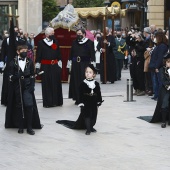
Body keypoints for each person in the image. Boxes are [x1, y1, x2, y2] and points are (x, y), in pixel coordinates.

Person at [5, 45, 42, 135]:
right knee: (19, 106)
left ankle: (29, 127)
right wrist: (14, 77)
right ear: (18, 52)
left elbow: (32, 75)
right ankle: (20, 126)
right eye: (23, 50)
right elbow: (9, 75)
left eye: (26, 50)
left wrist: (32, 86)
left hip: (27, 85)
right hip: (17, 86)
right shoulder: (13, 62)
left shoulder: (29, 61)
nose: (25, 52)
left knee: (29, 105)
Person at [56, 64, 103, 135]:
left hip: (93, 102)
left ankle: (91, 126)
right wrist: (81, 102)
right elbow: (80, 94)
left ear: (93, 74)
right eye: (86, 72)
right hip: (86, 103)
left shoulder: (96, 83)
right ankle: (88, 129)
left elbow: (98, 93)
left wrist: (99, 100)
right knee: (87, 116)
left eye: (90, 72)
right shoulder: (83, 84)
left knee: (93, 116)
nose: (88, 74)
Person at [35, 27, 63, 107]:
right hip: (45, 66)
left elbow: (59, 55)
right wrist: (37, 67)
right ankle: (48, 102)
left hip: (55, 66)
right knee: (47, 84)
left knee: (56, 83)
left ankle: (57, 101)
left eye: (53, 33)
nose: (53, 35)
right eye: (52, 33)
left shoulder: (56, 42)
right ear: (47, 34)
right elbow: (38, 57)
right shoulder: (41, 43)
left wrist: (60, 66)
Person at [68, 28, 95, 104]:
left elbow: (92, 54)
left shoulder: (89, 43)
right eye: (77, 34)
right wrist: (69, 64)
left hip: (85, 64)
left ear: (84, 34)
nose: (78, 35)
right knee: (76, 81)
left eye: (80, 34)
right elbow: (71, 53)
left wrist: (93, 65)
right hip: (75, 64)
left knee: (85, 81)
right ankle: (77, 98)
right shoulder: (74, 42)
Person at [150, 53, 170, 128]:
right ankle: (163, 121)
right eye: (168, 62)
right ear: (165, 62)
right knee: (164, 103)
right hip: (165, 89)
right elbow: (162, 80)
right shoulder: (162, 69)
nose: (169, 63)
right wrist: (167, 85)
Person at [149, 31, 168, 101]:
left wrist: (157, 67)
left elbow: (160, 57)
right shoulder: (159, 45)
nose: (155, 38)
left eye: (156, 37)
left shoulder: (162, 46)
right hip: (154, 66)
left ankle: (159, 96)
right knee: (155, 82)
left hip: (158, 67)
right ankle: (156, 95)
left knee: (159, 82)